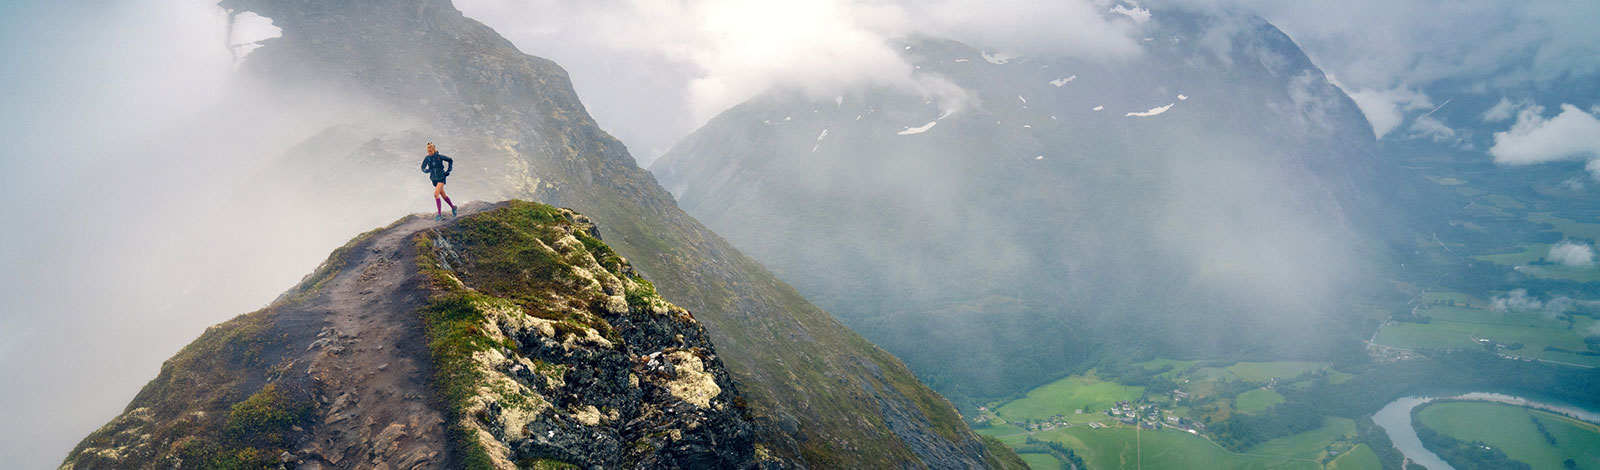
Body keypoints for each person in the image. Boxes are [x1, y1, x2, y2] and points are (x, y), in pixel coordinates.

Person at [421, 142, 456, 220]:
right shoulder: (427, 158)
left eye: (430, 151)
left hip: (441, 177)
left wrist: (448, 171)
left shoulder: (439, 157)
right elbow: (422, 167)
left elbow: (450, 160)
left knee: (436, 194)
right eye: (428, 151)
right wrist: (427, 171)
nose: (429, 153)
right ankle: (453, 208)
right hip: (434, 179)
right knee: (443, 195)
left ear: (434, 150)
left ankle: (439, 214)